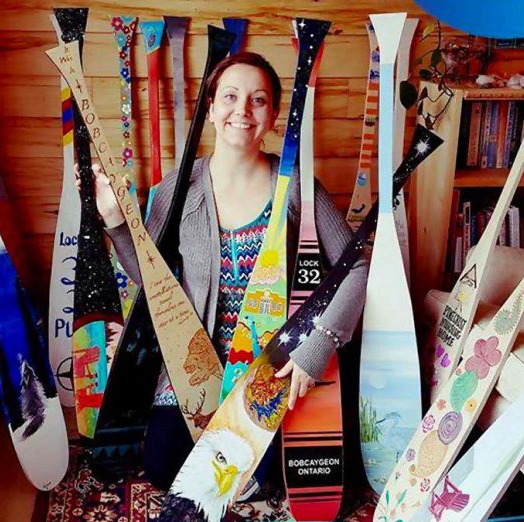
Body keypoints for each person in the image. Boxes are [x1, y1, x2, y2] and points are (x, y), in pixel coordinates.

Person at [88, 51, 368, 490]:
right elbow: (155, 285)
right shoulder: (176, 188)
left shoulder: (297, 187)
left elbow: (356, 268)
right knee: (164, 468)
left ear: (273, 115)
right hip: (196, 366)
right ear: (212, 109)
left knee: (273, 474)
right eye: (231, 97)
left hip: (273, 366)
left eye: (258, 100)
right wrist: (117, 223)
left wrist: (318, 347)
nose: (243, 110)